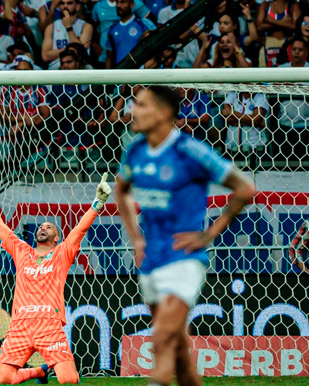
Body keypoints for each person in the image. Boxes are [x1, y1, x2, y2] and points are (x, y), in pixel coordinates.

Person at [114, 85, 256, 386]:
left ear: (164, 113)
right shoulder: (135, 150)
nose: (132, 111)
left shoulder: (191, 151)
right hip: (151, 259)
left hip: (184, 259)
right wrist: (136, 238)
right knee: (178, 350)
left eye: (140, 105)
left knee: (161, 340)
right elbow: (121, 190)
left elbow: (245, 189)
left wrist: (209, 234)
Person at [0, 162, 112, 384]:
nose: (43, 228)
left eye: (49, 227)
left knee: (68, 380)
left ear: (56, 239)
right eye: (41, 226)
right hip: (20, 324)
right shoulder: (21, 250)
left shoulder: (63, 252)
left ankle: (45, 371)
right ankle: (38, 372)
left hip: (49, 324)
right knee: (1, 380)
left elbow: (80, 230)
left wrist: (98, 203)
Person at [276, 38, 309, 159]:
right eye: (294, 49)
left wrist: (290, 86)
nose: (297, 52)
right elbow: (271, 87)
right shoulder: (281, 70)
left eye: (300, 50)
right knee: (286, 168)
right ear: (289, 52)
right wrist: (303, 87)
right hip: (286, 126)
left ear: (306, 52)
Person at [41, 0, 92, 70]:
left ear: (77, 6)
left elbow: (81, 52)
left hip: (79, 68)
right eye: (62, 3)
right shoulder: (51, 27)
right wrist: (70, 51)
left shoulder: (86, 26)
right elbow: (45, 56)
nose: (65, 6)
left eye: (69, 3)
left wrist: (69, 28)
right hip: (56, 68)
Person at [106, 0, 155, 69]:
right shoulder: (112, 29)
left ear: (132, 4)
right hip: (119, 73)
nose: (118, 5)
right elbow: (109, 58)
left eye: (122, 2)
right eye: (117, 2)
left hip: (138, 73)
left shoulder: (143, 24)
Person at [255, 0, 300, 67]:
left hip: (287, 42)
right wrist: (283, 22)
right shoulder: (265, 5)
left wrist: (271, 21)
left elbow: (296, 26)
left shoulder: (293, 5)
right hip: (269, 42)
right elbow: (259, 26)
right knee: (266, 73)